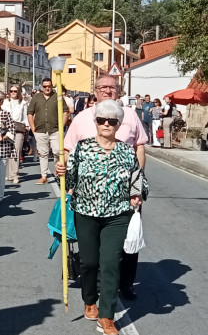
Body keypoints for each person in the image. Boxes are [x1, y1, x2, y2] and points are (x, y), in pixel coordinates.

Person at [56, 74, 148, 302]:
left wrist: (135, 187)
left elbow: (139, 148)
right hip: (89, 195)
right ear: (95, 91)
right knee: (94, 250)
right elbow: (69, 150)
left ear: (119, 90)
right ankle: (96, 289)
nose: (107, 90)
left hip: (123, 194)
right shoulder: (82, 118)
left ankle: (126, 283)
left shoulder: (131, 116)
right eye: (102, 87)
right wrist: (68, 179)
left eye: (112, 87)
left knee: (128, 243)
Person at [27, 78, 69, 184]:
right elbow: (30, 113)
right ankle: (44, 176)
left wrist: (62, 126)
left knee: (57, 152)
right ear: (42, 87)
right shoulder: (36, 98)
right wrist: (33, 128)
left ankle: (58, 171)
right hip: (40, 130)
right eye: (45, 86)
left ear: (52, 86)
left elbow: (66, 112)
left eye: (49, 86)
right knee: (43, 154)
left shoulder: (57, 97)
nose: (47, 88)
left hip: (55, 130)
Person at [2, 85, 29, 184]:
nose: (13, 92)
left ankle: (15, 174)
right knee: (8, 150)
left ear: (19, 92)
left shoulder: (23, 103)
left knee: (16, 150)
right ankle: (8, 174)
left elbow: (25, 116)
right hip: (7, 129)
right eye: (11, 91)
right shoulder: (5, 102)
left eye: (15, 91)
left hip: (19, 128)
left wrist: (27, 127)